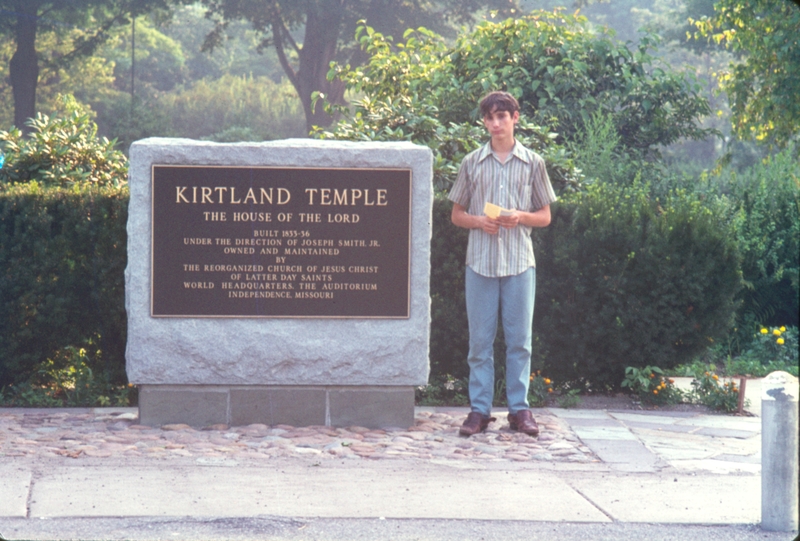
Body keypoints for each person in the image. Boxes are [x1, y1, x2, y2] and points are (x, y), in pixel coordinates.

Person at [448, 91, 557, 437]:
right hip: (479, 263)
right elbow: (456, 214)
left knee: (519, 341)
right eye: (489, 118)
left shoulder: (533, 162)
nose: (495, 123)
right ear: (484, 122)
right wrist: (480, 221)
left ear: (515, 118)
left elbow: (545, 215)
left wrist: (521, 216)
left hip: (519, 264)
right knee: (479, 343)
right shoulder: (471, 163)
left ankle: (519, 411)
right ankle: (479, 411)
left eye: (502, 116)